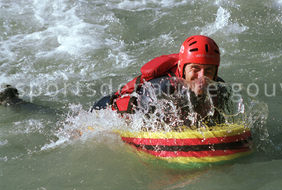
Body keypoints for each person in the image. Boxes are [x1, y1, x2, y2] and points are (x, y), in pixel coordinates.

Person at [92, 35, 237, 127]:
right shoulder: (160, 88)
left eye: (209, 70)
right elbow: (146, 127)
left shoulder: (219, 89)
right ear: (182, 67)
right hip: (105, 111)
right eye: (195, 69)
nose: (202, 77)